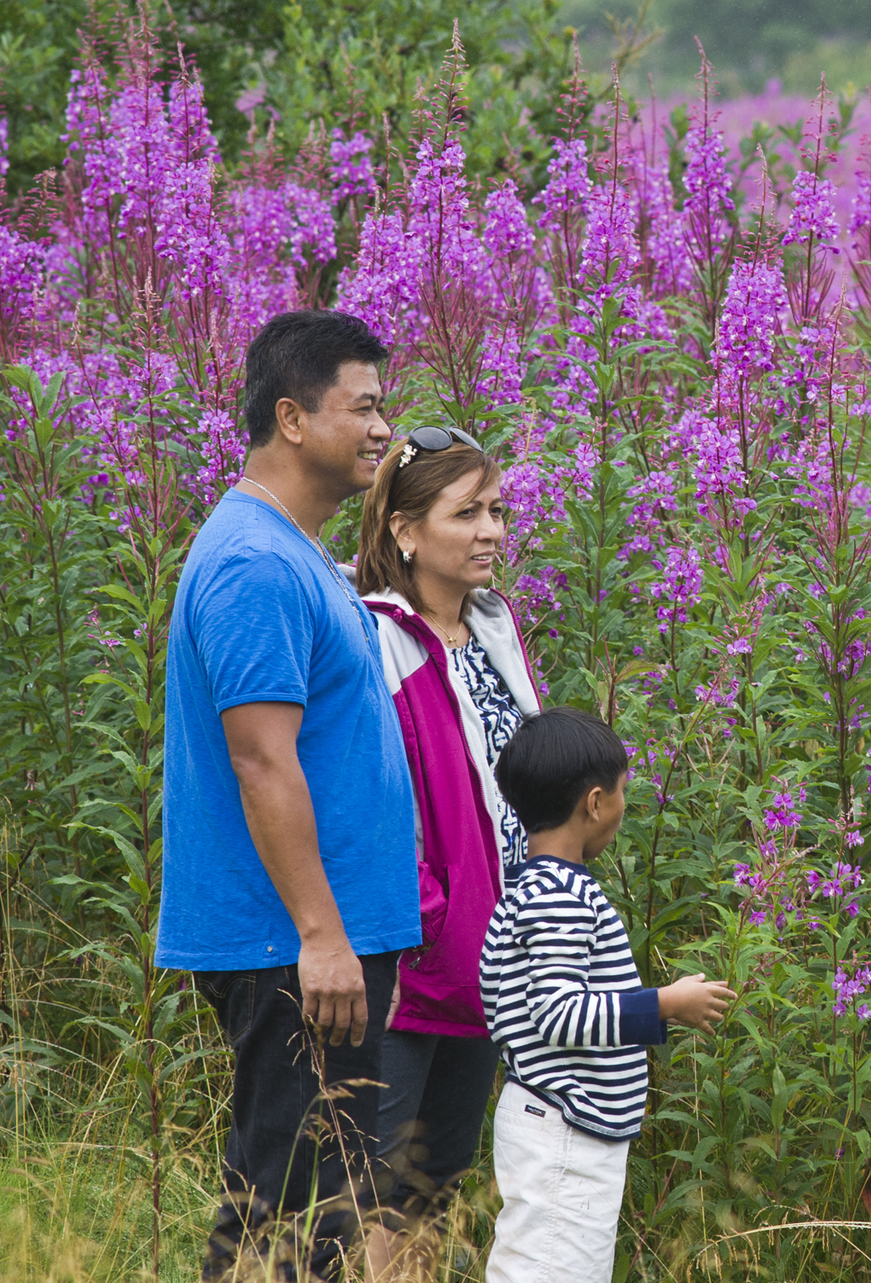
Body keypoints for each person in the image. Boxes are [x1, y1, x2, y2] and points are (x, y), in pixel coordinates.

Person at [159, 310, 419, 1282]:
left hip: (323, 937)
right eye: (364, 406)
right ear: (292, 418)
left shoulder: (297, 553)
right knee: (285, 1211)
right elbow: (261, 762)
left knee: (318, 1212)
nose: (383, 428)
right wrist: (320, 934)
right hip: (294, 944)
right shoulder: (254, 563)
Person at [354, 426, 542, 1274]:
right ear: (403, 529)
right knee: (368, 1192)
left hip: (493, 960)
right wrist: (430, 921)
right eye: (466, 512)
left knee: (435, 1186)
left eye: (496, 509)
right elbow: (369, 806)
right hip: (412, 965)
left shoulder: (495, 634)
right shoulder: (373, 641)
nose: (492, 530)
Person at [479, 709, 737, 1283]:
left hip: (566, 1125)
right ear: (595, 803)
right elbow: (559, 1013)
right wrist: (665, 1004)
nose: (624, 807)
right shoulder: (559, 896)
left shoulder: (536, 885)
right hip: (563, 1128)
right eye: (623, 793)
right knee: (546, 1269)